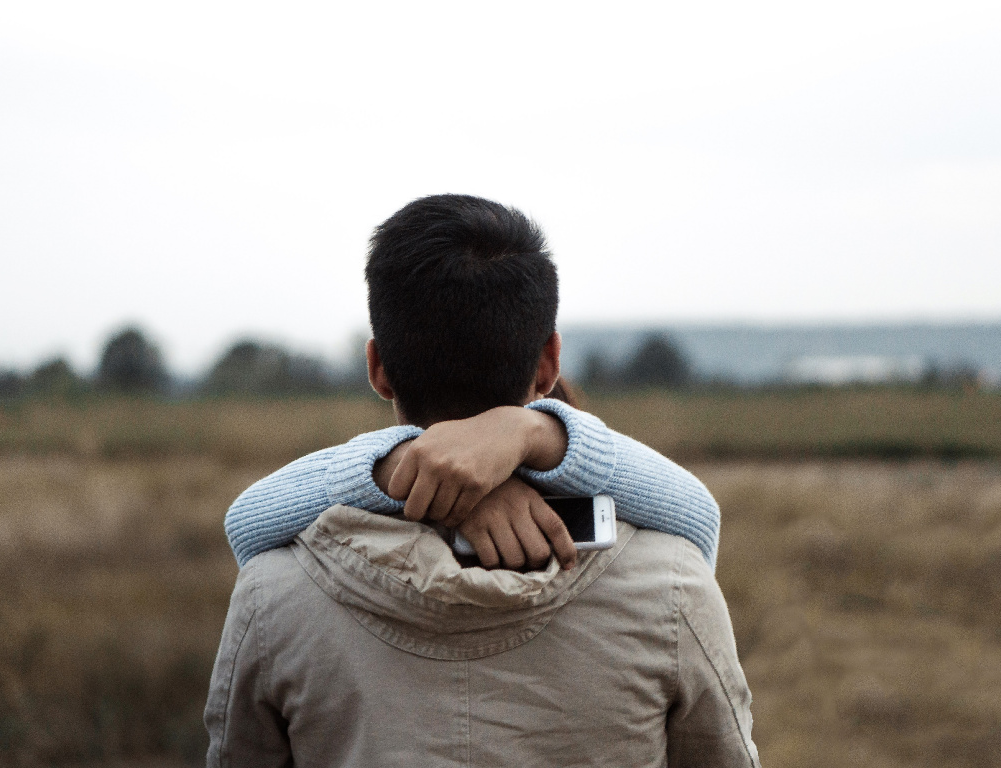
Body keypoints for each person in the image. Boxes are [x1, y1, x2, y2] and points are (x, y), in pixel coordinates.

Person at [205, 194, 758, 766]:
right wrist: (538, 436)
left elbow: (245, 521)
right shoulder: (672, 586)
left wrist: (397, 468)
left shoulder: (272, 599)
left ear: (378, 368)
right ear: (549, 362)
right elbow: (698, 514)